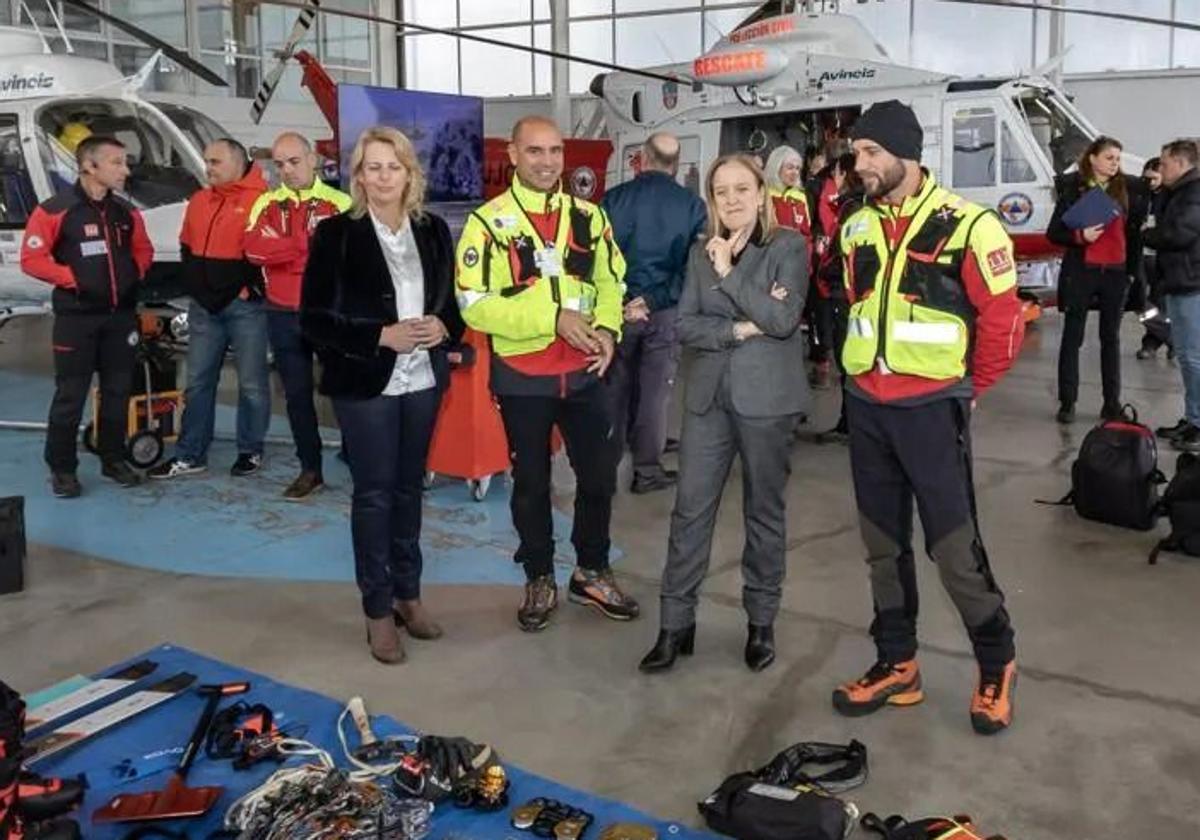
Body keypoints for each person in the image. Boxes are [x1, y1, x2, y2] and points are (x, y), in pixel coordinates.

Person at [830, 101, 1025, 735]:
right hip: (867, 409)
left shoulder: (970, 226)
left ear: (906, 156)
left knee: (953, 551)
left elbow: (1002, 323)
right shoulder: (856, 227)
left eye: (871, 154)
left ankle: (996, 662)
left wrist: (968, 391)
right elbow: (852, 304)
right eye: (856, 153)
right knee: (880, 547)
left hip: (932, 413)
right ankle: (898, 662)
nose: (859, 165)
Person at [455, 115, 638, 633]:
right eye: (534, 151)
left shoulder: (589, 217)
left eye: (555, 151)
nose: (547, 161)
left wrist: (607, 331)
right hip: (523, 377)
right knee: (531, 485)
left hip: (585, 373)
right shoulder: (487, 224)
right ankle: (538, 574)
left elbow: (611, 279)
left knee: (600, 478)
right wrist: (551, 318)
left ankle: (592, 570)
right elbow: (474, 305)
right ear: (513, 155)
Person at [639, 154, 809, 675]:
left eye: (741, 189)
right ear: (711, 200)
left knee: (764, 512)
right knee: (689, 511)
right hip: (708, 399)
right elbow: (685, 326)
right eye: (721, 191)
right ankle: (675, 626)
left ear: (761, 193)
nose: (732, 200)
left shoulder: (787, 247)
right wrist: (737, 329)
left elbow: (782, 318)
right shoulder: (697, 254)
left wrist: (730, 275)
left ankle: (761, 623)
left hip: (768, 401)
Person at [301, 126, 465, 664]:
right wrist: (379, 336)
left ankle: (408, 596)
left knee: (409, 490)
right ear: (358, 176)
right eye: (372, 167)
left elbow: (453, 307)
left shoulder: (435, 230)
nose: (383, 177)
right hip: (364, 382)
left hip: (422, 382)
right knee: (373, 495)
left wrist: (445, 328)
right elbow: (314, 322)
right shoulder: (334, 235)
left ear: (409, 173)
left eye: (392, 167)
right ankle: (377, 610)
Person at [20, 135, 153, 497]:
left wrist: (133, 275)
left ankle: (113, 458)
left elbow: (144, 249)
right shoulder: (54, 210)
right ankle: (62, 469)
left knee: (117, 392)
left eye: (125, 162)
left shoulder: (126, 213)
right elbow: (31, 259)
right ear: (89, 166)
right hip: (76, 321)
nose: (125, 170)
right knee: (70, 397)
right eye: (116, 162)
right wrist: (72, 279)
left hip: (119, 318)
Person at [148, 139, 271, 482]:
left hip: (245, 307)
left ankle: (250, 450)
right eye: (206, 161)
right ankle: (190, 454)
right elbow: (186, 248)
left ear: (236, 162)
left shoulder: (262, 201)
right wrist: (196, 290)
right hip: (203, 307)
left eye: (215, 161)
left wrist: (249, 290)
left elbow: (266, 255)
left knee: (252, 384)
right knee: (198, 382)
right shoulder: (200, 200)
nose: (208, 167)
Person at [245, 132, 352, 499]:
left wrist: (284, 249)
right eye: (279, 164)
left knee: (343, 388)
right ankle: (310, 469)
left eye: (293, 161)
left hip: (327, 312)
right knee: (296, 396)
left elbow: (343, 259)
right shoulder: (266, 204)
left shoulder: (340, 203)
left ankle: (358, 454)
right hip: (281, 313)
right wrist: (303, 245)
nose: (286, 170)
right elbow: (255, 252)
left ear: (312, 160)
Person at [600, 132, 706, 494]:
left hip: (617, 312)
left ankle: (605, 465)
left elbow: (598, 261)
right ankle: (647, 469)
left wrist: (625, 301)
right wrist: (653, 300)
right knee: (655, 392)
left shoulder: (613, 199)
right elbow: (692, 270)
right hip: (663, 313)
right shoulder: (693, 206)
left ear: (642, 158)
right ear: (676, 165)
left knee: (615, 388)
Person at [1047, 135, 1148, 424]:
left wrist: (1131, 272)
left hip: (1115, 273)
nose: (1114, 164)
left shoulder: (1128, 188)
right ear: (1092, 158)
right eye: (1109, 158)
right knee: (1072, 337)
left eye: (1117, 159)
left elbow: (1135, 232)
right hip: (1083, 271)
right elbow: (1054, 233)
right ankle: (1068, 402)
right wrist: (1080, 236)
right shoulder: (1072, 189)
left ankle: (1111, 403)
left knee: (1110, 339)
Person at [1143, 138, 1200, 454]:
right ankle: (1192, 418)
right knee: (1188, 357)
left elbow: (1179, 234)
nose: (1159, 168)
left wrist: (1145, 236)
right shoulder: (1177, 193)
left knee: (1194, 358)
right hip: (1180, 281)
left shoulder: (1194, 194)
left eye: (1164, 164)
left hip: (1192, 283)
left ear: (1180, 163)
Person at [813, 152, 864, 441]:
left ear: (843, 175)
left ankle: (852, 423)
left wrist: (824, 270)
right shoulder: (867, 205)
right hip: (855, 294)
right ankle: (849, 420)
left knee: (849, 361)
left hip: (844, 294)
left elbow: (840, 253)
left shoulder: (850, 209)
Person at [1137, 157, 1173, 361]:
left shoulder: (1170, 199)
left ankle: (1151, 344)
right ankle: (1170, 338)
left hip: (1160, 257)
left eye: (1154, 178)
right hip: (1140, 256)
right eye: (1146, 178)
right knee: (1139, 301)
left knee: (1159, 304)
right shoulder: (1140, 196)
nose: (1149, 182)